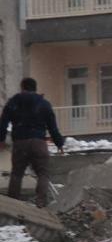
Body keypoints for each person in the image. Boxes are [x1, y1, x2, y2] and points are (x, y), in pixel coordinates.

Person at [0, 77, 65, 208]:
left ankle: (13, 205)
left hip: (20, 143)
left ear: (22, 87)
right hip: (38, 143)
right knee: (43, 173)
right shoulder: (44, 103)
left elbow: (3, 123)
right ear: (35, 88)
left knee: (17, 173)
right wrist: (59, 143)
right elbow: (53, 127)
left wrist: (1, 139)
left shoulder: (14, 102)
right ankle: (41, 203)